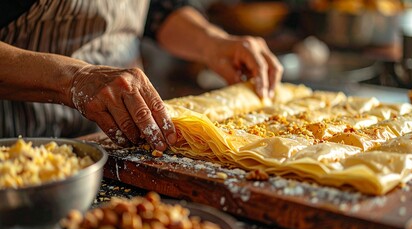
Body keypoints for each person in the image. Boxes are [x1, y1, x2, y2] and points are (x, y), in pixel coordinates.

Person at [0, 0, 283, 151]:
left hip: (118, 139)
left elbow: (158, 8)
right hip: (19, 152)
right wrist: (77, 78)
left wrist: (213, 43)